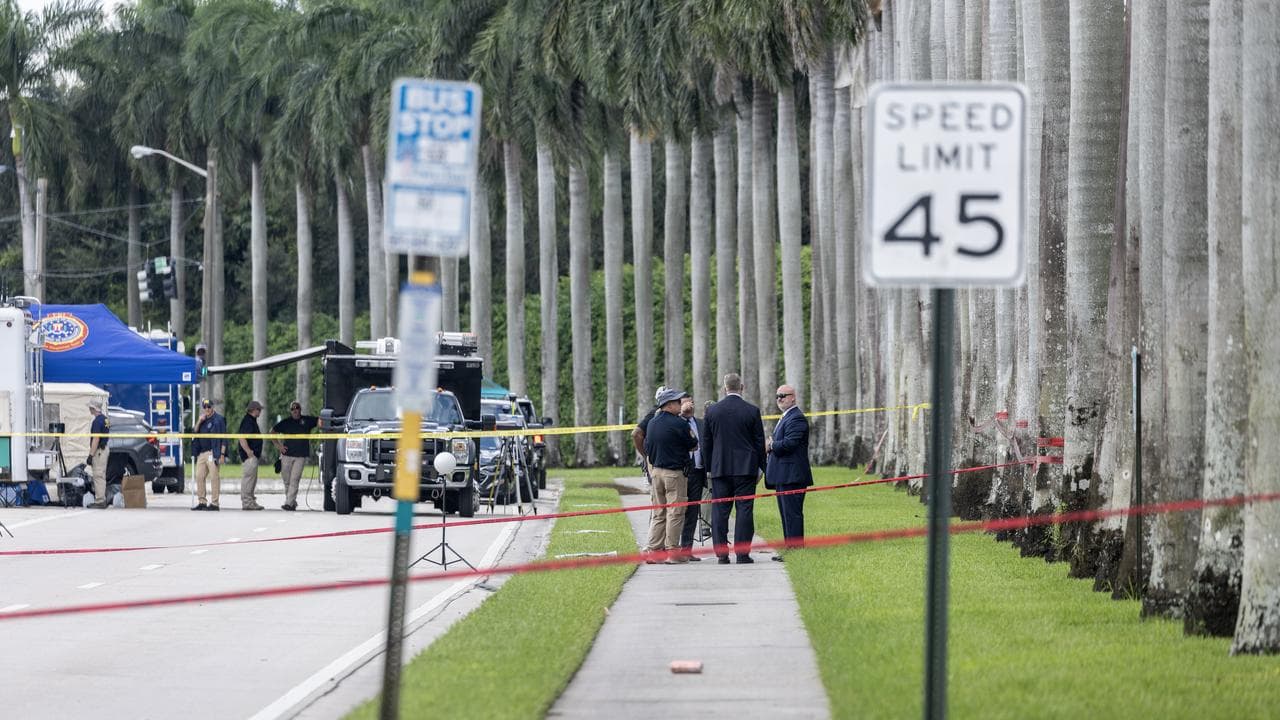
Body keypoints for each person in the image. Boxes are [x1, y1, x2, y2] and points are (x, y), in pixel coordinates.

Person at [703, 373, 766, 564]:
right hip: (745, 468)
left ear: (724, 389)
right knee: (745, 510)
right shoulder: (752, 411)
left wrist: (709, 468)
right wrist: (762, 467)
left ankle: (722, 554)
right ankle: (742, 553)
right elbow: (758, 442)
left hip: (720, 468)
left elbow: (707, 442)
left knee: (720, 511)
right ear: (742, 387)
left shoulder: (712, 412)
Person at [642, 388, 699, 564]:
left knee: (659, 512)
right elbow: (694, 444)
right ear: (669, 404)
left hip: (656, 472)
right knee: (676, 512)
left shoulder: (652, 422)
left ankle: (653, 551)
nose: (680, 405)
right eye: (677, 402)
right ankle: (673, 551)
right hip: (674, 474)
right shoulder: (679, 423)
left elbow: (647, 448)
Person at [766, 384, 813, 561]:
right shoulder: (786, 417)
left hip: (792, 475)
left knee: (792, 513)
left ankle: (795, 549)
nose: (779, 399)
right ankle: (790, 547)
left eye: (783, 395)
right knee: (786, 513)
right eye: (777, 396)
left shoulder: (797, 418)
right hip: (783, 475)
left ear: (793, 397)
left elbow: (790, 444)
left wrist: (771, 445)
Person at [272, 400, 318, 511]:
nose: (295, 410)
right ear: (290, 411)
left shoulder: (306, 420)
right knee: (287, 480)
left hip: (300, 456)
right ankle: (292, 502)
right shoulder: (286, 422)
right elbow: (272, 432)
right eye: (293, 409)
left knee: (294, 480)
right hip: (286, 455)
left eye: (297, 408)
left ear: (300, 409)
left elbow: (320, 421)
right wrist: (279, 447)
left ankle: (288, 503)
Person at [678, 395, 708, 560]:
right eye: (685, 403)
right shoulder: (676, 423)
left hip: (698, 473)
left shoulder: (701, 423)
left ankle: (687, 549)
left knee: (692, 512)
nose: (690, 405)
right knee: (678, 512)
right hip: (681, 474)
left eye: (692, 402)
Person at [191, 399, 228, 511]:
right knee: (199, 476)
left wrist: (222, 454)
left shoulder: (219, 419)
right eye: (205, 407)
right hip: (202, 453)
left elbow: (224, 438)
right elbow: (194, 432)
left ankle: (215, 503)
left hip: (213, 452)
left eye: (209, 406)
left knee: (214, 477)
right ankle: (202, 502)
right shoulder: (202, 420)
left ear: (213, 407)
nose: (207, 409)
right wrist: (199, 421)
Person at [237, 400, 265, 511]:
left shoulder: (251, 420)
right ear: (254, 410)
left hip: (252, 456)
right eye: (259, 410)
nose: (260, 412)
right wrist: (248, 451)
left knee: (251, 480)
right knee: (248, 479)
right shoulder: (248, 421)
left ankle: (251, 501)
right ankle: (247, 502)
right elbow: (241, 437)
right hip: (249, 457)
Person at [86, 399, 111, 509]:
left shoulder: (97, 422)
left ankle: (100, 500)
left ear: (94, 408)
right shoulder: (105, 419)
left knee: (98, 475)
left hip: (99, 451)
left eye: (90, 407)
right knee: (102, 474)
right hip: (105, 449)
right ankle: (102, 498)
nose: (89, 409)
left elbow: (96, 439)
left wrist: (91, 455)